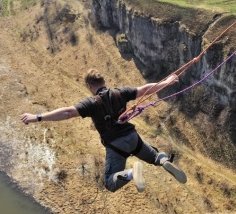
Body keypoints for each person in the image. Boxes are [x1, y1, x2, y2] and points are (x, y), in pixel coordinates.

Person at [20, 69, 187, 193]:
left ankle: (130, 173)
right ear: (103, 81)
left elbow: (68, 112)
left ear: (89, 85)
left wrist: (37, 116)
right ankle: (164, 160)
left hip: (117, 146)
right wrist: (167, 82)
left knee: (109, 182)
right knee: (155, 156)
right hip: (133, 138)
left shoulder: (91, 103)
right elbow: (144, 90)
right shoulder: (119, 92)